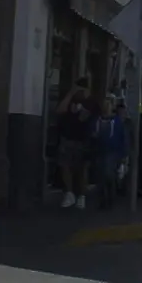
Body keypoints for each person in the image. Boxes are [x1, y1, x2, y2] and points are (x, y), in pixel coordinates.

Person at [55, 79, 93, 209]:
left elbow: (86, 118)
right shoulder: (69, 100)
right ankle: (69, 193)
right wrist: (70, 95)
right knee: (65, 166)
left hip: (82, 140)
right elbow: (60, 110)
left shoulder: (89, 103)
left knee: (81, 169)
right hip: (67, 138)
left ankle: (81, 196)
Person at [93, 98, 130, 210]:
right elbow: (93, 133)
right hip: (100, 151)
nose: (106, 107)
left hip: (113, 152)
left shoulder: (117, 121)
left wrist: (123, 155)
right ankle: (103, 200)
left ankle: (110, 198)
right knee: (100, 177)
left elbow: (123, 138)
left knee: (109, 175)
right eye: (105, 105)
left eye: (108, 105)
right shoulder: (98, 120)